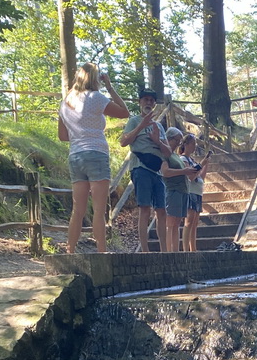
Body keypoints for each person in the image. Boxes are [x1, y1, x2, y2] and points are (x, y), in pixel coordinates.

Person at [58, 62, 129, 254]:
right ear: (95, 79)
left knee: (77, 209)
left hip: (76, 155)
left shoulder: (66, 102)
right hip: (96, 153)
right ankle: (102, 252)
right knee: (99, 209)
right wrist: (110, 87)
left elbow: (63, 136)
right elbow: (125, 112)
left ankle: (70, 250)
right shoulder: (96, 97)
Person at [120, 88, 172, 252]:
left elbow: (169, 152)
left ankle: (164, 250)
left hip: (157, 171)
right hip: (141, 168)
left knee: (161, 210)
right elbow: (123, 141)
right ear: (140, 102)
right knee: (144, 208)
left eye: (151, 100)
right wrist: (141, 126)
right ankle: (145, 250)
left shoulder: (159, 127)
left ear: (155, 104)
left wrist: (158, 141)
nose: (148, 102)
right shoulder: (134, 121)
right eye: (145, 100)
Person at [160, 127, 197, 252]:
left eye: (180, 141)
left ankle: (175, 251)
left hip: (183, 191)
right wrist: (184, 171)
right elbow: (165, 172)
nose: (178, 143)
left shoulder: (175, 155)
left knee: (177, 223)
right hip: (173, 190)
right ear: (169, 139)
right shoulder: (165, 154)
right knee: (170, 223)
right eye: (177, 140)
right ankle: (169, 252)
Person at [179, 133, 211, 252]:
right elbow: (190, 177)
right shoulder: (183, 159)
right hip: (190, 191)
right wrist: (201, 164)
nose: (194, 146)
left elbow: (200, 177)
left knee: (195, 222)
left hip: (198, 192)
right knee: (189, 220)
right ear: (186, 144)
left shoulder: (192, 160)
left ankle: (193, 249)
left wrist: (205, 165)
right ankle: (186, 249)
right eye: (193, 144)